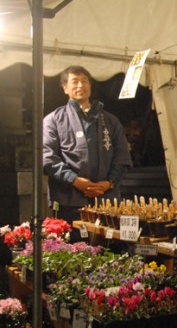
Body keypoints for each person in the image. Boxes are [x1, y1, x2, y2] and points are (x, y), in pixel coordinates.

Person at [43, 65, 132, 238]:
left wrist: (108, 183)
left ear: (90, 86)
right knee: (72, 249)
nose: (80, 86)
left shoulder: (111, 120)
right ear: (65, 88)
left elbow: (122, 157)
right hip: (69, 200)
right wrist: (75, 180)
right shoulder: (53, 120)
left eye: (84, 81)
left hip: (106, 200)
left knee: (109, 249)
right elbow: (48, 158)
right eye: (74, 82)